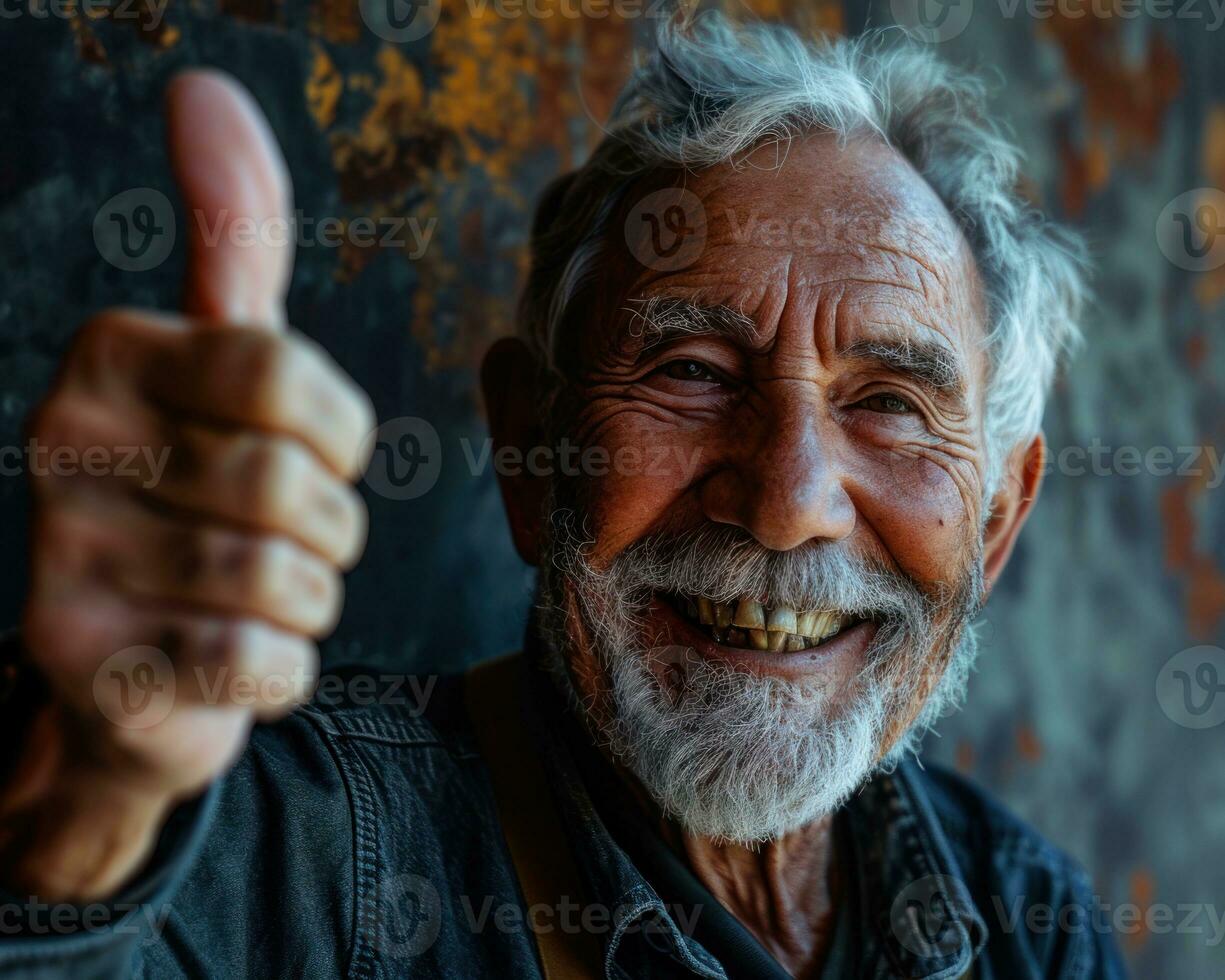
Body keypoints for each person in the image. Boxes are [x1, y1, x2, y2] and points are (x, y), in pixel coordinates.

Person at [0, 13, 1125, 979]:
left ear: (991, 522)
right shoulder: (298, 858)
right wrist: (91, 797)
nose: (787, 503)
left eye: (887, 402)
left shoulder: (1031, 924)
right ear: (531, 444)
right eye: (690, 372)